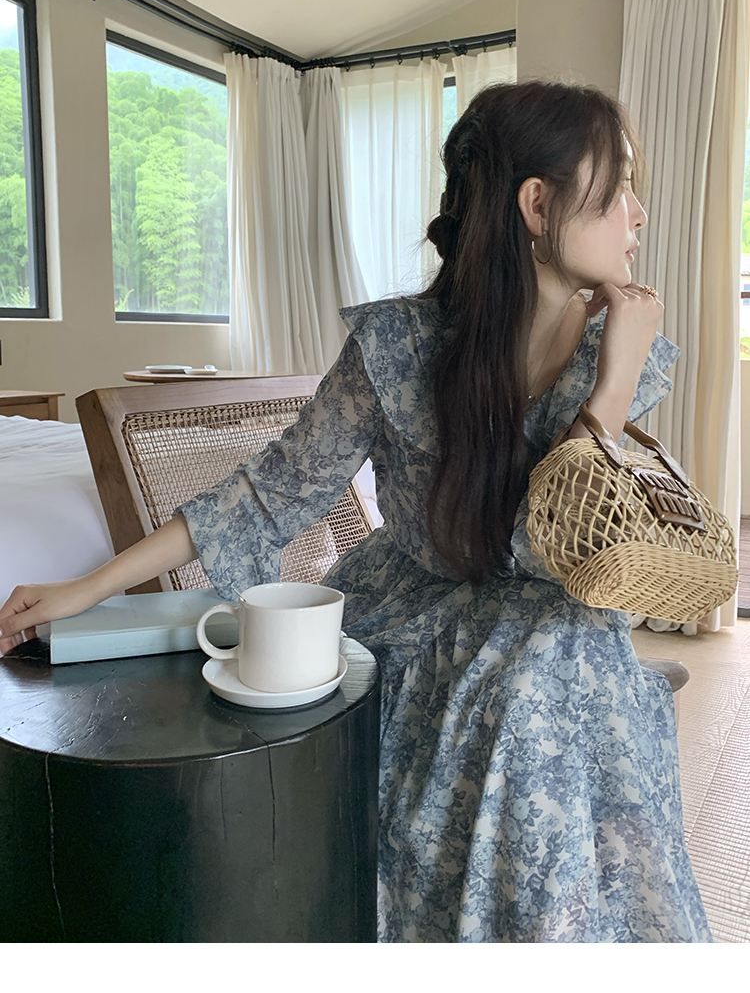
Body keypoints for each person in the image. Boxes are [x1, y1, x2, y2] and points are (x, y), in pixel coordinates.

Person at [0, 80, 711, 943]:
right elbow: (267, 494)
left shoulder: (617, 346)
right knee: (521, 693)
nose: (638, 212)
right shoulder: (396, 346)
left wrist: (614, 385)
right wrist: (89, 588)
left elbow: (566, 544)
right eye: (617, 185)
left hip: (552, 623)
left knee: (547, 677)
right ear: (537, 204)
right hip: (413, 611)